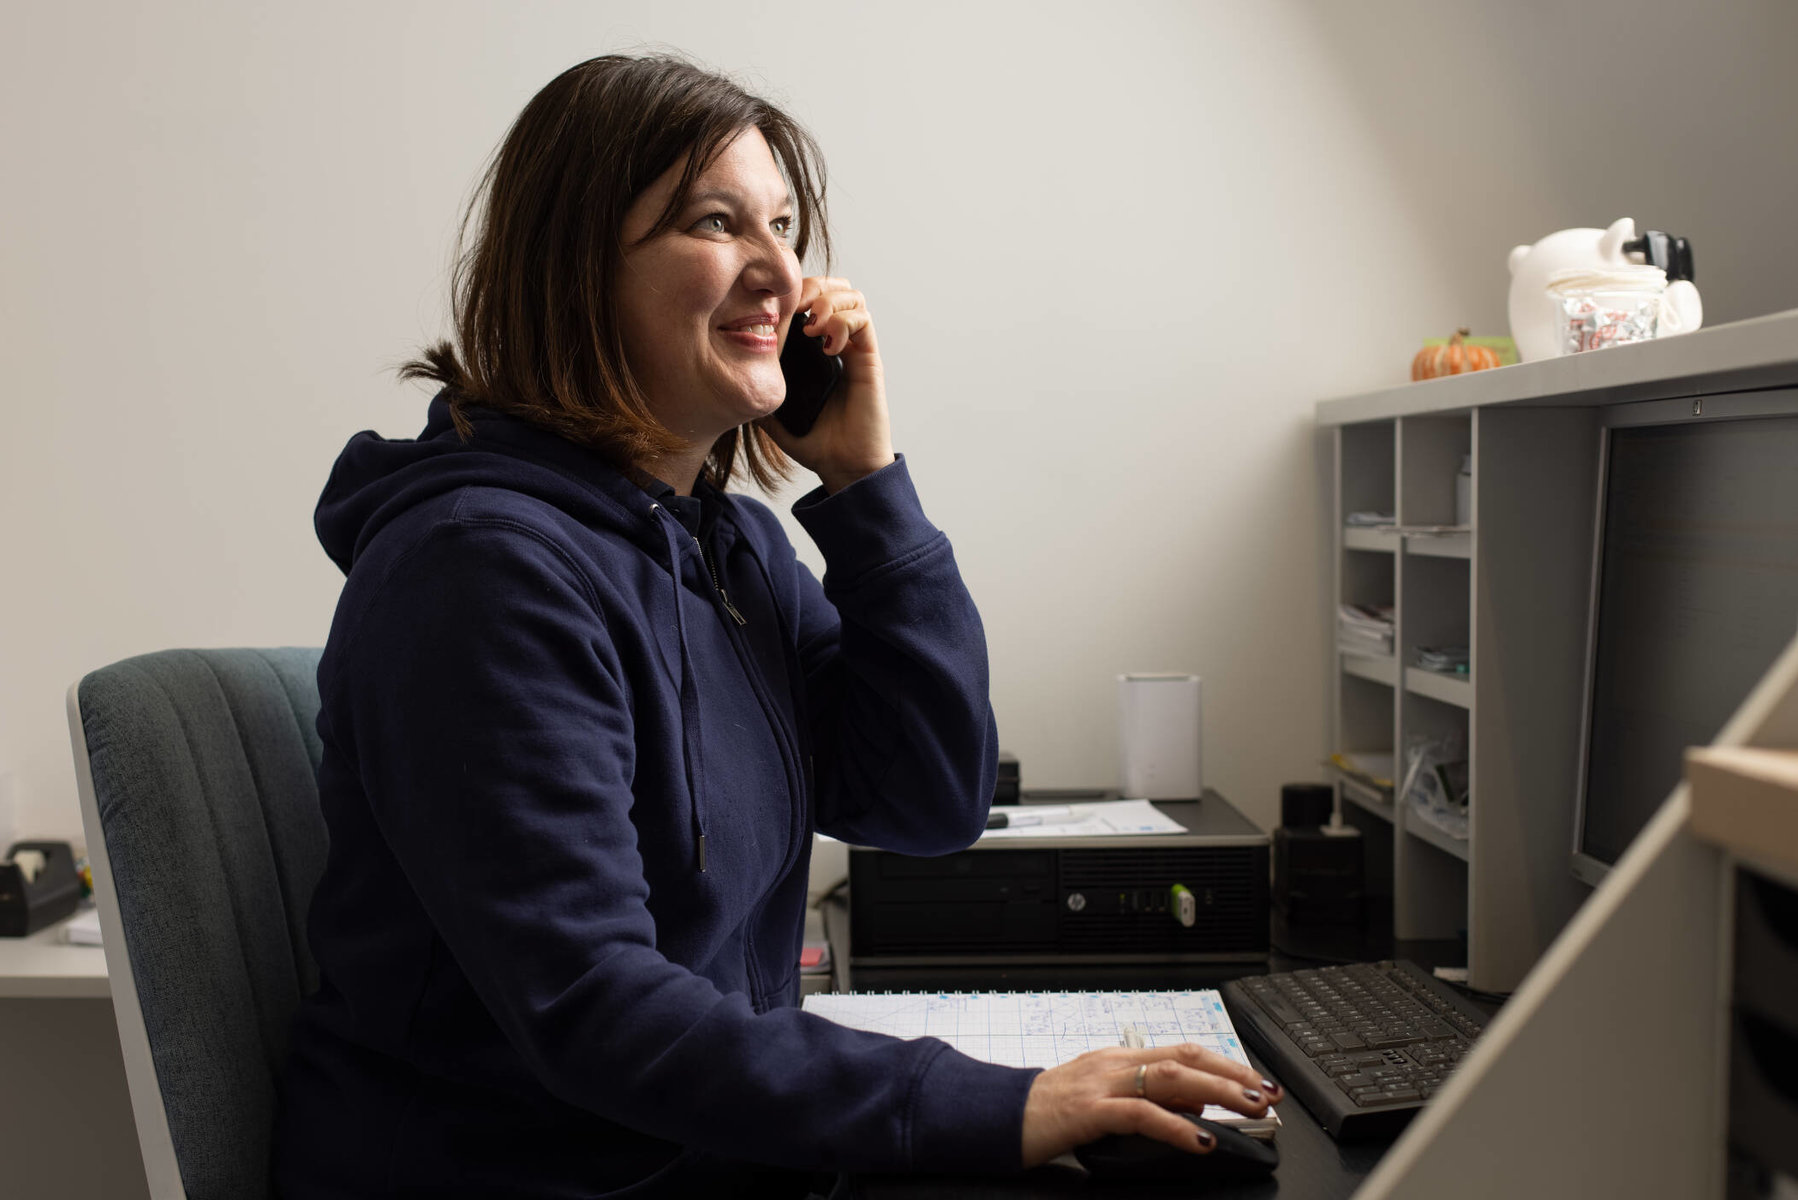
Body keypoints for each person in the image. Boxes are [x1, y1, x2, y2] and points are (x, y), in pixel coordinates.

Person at [272, 53, 1278, 1198]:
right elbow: (591, 1004)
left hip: (697, 1152)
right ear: (574, 269)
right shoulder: (480, 571)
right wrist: (990, 1101)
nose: (782, 275)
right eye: (716, 222)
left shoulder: (725, 548)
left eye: (786, 227)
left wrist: (865, 489)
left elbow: (925, 801)